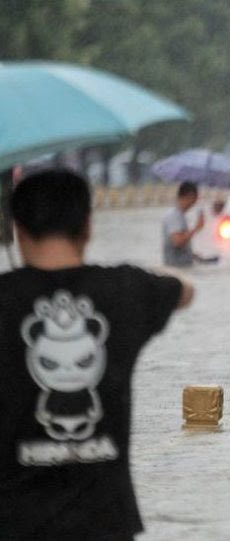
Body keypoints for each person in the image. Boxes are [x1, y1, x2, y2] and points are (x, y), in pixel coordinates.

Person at [0, 170, 193, 539]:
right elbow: (186, 290)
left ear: (17, 229)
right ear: (88, 225)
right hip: (105, 524)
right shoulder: (126, 290)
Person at [162, 181, 205, 267]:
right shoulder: (174, 216)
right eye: (196, 197)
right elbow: (177, 242)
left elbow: (179, 243)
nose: (195, 202)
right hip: (176, 269)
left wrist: (191, 254)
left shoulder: (180, 215)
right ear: (190, 196)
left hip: (183, 266)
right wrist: (196, 228)